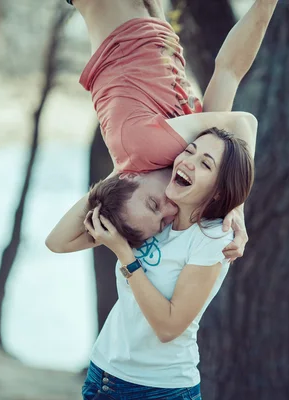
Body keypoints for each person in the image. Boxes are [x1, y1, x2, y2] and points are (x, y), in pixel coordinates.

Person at [46, 0, 278, 260]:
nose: (169, 209)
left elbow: (58, 242)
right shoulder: (188, 153)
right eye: (163, 223)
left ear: (128, 178)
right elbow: (229, 71)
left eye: (153, 204)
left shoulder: (144, 149)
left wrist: (236, 207)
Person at [81, 126, 254, 400]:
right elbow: (57, 242)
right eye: (189, 151)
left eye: (205, 164)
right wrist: (122, 172)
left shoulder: (212, 238)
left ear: (220, 191)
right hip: (101, 374)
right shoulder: (156, 214)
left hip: (159, 389)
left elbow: (168, 327)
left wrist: (125, 255)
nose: (188, 162)